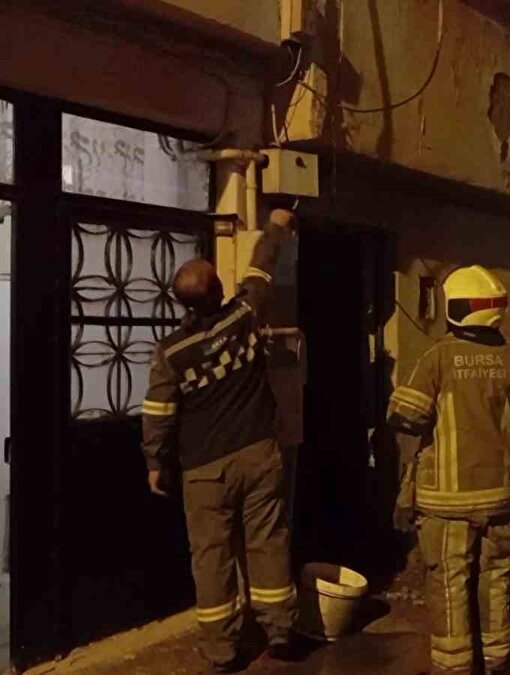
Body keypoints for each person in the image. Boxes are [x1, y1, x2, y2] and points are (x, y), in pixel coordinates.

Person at [142, 209, 299, 670]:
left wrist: (156, 463)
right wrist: (276, 226)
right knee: (268, 542)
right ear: (218, 291)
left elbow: (158, 414)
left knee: (212, 558)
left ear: (181, 303)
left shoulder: (171, 353)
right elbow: (260, 269)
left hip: (204, 469)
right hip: (257, 454)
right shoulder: (245, 315)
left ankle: (222, 650)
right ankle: (281, 631)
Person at [387, 265, 510, 675]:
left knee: (450, 584)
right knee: (496, 580)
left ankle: (455, 667)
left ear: (456, 308)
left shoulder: (437, 358)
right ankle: (497, 659)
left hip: (446, 503)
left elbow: (407, 417)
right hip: (500, 500)